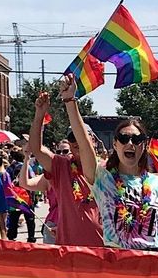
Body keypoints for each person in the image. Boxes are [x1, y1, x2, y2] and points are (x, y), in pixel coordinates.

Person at [74, 114, 158, 251]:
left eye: (136, 139)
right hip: (117, 264)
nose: (130, 143)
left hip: (152, 264)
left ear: (144, 145)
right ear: (115, 145)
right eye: (123, 138)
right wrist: (70, 101)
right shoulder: (102, 179)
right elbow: (83, 142)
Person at [26, 77, 103, 247]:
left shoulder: (106, 169)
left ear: (94, 142)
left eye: (81, 137)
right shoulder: (62, 167)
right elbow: (37, 149)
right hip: (69, 252)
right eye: (72, 138)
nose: (77, 142)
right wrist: (39, 115)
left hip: (104, 252)